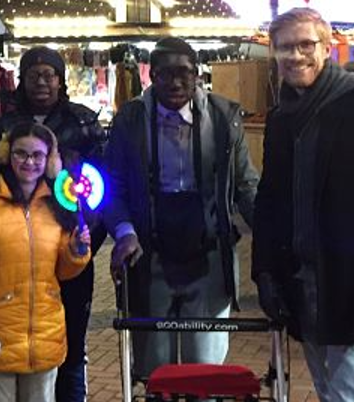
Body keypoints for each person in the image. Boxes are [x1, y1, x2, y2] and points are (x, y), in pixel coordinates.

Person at [253, 8, 354, 402]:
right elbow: (270, 201)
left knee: (350, 397)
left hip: (353, 288)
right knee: (329, 393)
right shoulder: (281, 118)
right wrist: (265, 272)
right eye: (285, 47)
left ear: (327, 48)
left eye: (306, 44)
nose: (295, 56)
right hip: (304, 289)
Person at [104, 38, 258, 375]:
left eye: (184, 73)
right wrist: (125, 232)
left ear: (198, 75)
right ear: (151, 76)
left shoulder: (223, 117)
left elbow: (245, 184)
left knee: (204, 371)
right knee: (153, 372)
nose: (175, 82)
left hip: (207, 259)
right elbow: (113, 188)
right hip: (150, 256)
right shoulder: (131, 120)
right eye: (165, 73)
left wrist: (269, 230)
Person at [0, 46, 105, 402]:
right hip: (14, 262)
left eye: (49, 74)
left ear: (60, 80)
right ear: (21, 80)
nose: (41, 82)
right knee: (17, 348)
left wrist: (84, 241)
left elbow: (105, 187)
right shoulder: (2, 129)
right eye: (33, 75)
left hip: (72, 255)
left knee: (72, 347)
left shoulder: (83, 124)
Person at [0, 121, 91, 401]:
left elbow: (62, 270)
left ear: (49, 160)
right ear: (6, 154)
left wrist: (75, 251)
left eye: (38, 155)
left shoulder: (56, 203)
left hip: (44, 333)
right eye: (21, 154)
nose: (29, 162)